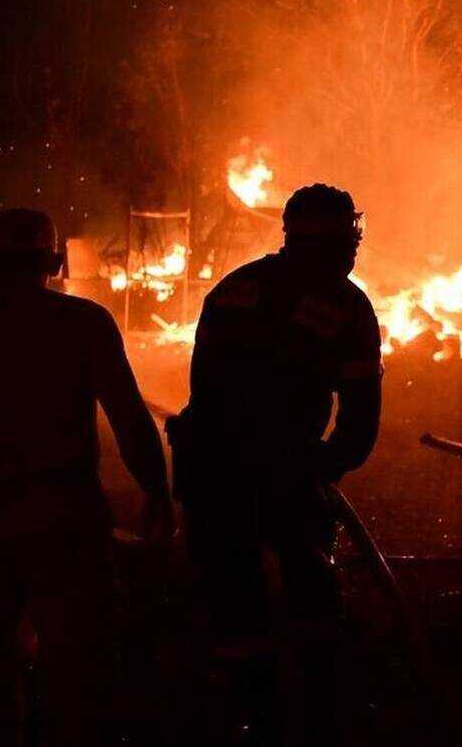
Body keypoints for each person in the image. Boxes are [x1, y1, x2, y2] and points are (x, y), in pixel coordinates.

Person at [169, 183, 382, 742]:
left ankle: (244, 713)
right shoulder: (345, 304)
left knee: (232, 597)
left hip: (209, 466)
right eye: (351, 236)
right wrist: (324, 470)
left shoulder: (234, 287)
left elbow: (203, 387)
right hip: (283, 470)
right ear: (343, 239)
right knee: (311, 596)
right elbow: (360, 419)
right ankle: (316, 714)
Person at [0, 208, 172, 745]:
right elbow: (128, 416)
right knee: (79, 670)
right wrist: (158, 491)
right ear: (54, 262)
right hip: (65, 518)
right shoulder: (84, 323)